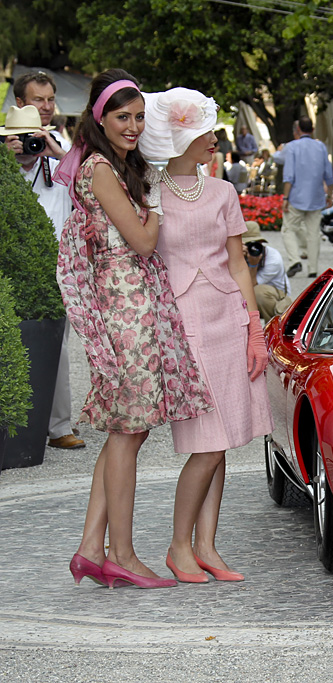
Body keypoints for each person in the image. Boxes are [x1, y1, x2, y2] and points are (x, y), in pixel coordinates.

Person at [55, 69, 212, 589]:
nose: (134, 126)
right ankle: (119, 553)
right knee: (128, 434)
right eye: (123, 117)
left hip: (134, 306)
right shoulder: (101, 167)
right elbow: (142, 243)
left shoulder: (114, 164)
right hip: (127, 311)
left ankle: (88, 547)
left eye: (140, 117)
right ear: (100, 117)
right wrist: (158, 208)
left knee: (127, 433)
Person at [137, 87, 273, 584]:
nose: (215, 139)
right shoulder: (147, 192)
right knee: (208, 442)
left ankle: (207, 547)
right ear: (179, 138)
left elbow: (239, 263)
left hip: (227, 319)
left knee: (225, 441)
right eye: (205, 133)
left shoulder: (222, 192)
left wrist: (254, 329)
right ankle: (179, 547)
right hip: (181, 325)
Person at [2, 72, 83, 451]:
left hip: (55, 267)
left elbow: (90, 191)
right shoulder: (4, 150)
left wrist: (59, 156)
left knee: (57, 344)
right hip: (10, 265)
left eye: (51, 99)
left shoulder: (61, 151)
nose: (47, 107)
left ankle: (58, 426)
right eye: (38, 100)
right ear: (19, 104)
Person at [281, 116, 333, 277]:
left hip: (296, 196)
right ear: (312, 129)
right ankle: (313, 268)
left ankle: (295, 260)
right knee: (313, 233)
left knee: (288, 229)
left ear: (298, 130)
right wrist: (330, 195)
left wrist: (285, 198)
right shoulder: (321, 147)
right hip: (316, 196)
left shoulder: (291, 147)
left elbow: (289, 175)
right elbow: (329, 174)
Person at [240, 222, 292, 321]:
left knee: (259, 292)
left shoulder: (273, 259)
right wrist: (237, 257)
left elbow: (250, 287)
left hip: (277, 300)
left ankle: (273, 327)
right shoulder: (237, 255)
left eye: (255, 244)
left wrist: (253, 265)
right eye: (248, 244)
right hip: (251, 297)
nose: (252, 248)